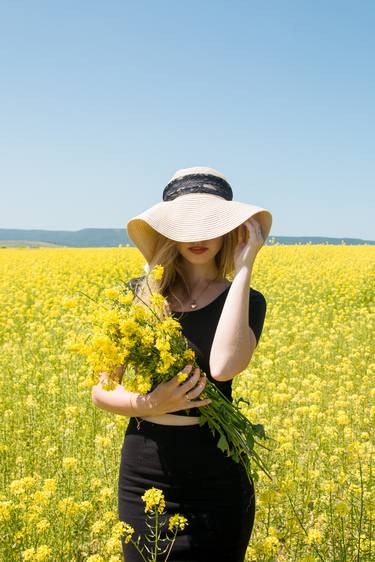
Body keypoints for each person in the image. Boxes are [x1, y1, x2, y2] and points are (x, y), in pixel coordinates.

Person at [91, 166, 272, 562]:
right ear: (168, 231)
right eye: (186, 226)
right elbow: (101, 390)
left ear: (231, 231)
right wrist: (149, 405)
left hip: (217, 474)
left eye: (211, 224)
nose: (199, 237)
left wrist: (243, 269)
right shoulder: (136, 299)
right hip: (146, 470)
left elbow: (223, 366)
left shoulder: (248, 300)